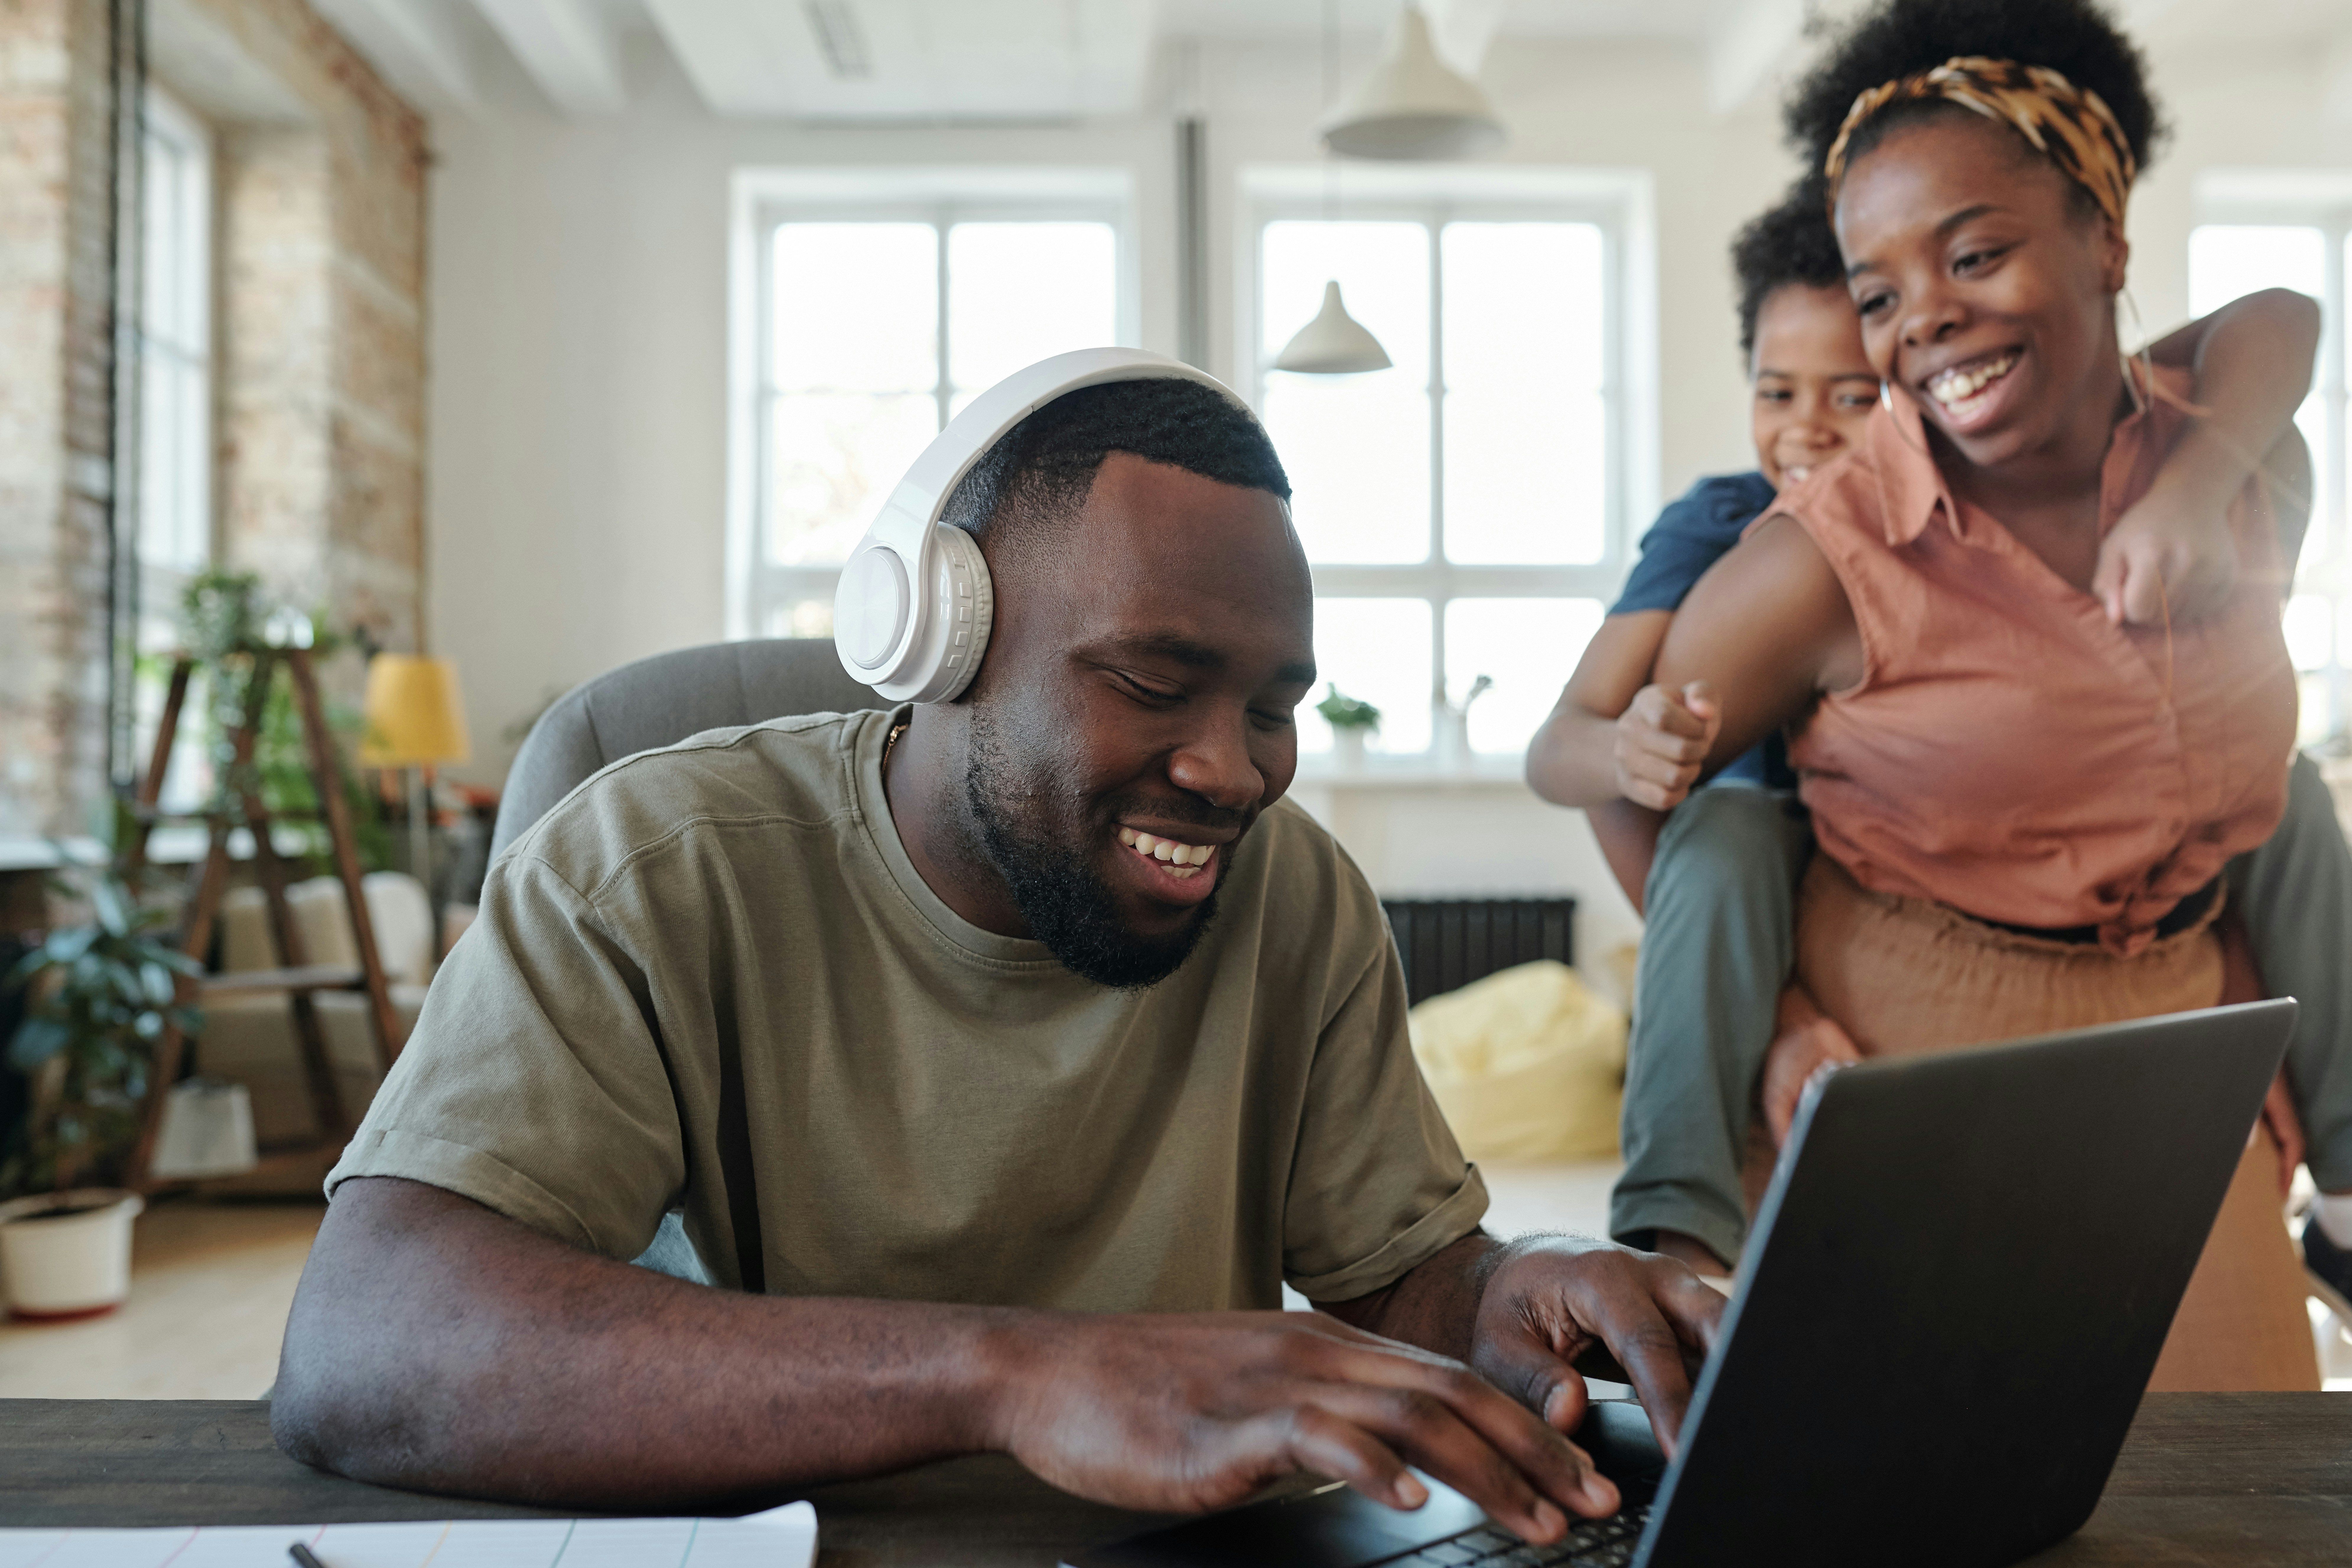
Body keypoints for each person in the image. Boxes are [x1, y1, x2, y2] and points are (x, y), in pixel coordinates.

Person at [270, 369, 1724, 1539]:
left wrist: (1516, 1281)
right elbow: (372, 1342)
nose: (1232, 770)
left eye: (1271, 705)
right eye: (1154, 682)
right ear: (941, 641)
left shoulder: (1292, 897)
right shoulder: (650, 868)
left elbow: (1401, 1274)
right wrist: (1020, 1372)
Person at [1606, 0, 2338, 1386]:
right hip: (1901, 1072)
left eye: (1975, 252)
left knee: (2254, 1485)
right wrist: (1759, 1023)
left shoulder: (2244, 465)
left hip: (2182, 1061)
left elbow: (2277, 326)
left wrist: (2188, 487)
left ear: (2104, 241)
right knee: (1907, 1495)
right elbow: (1654, 798)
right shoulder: (1813, 566)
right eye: (1875, 291)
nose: (1920, 319)